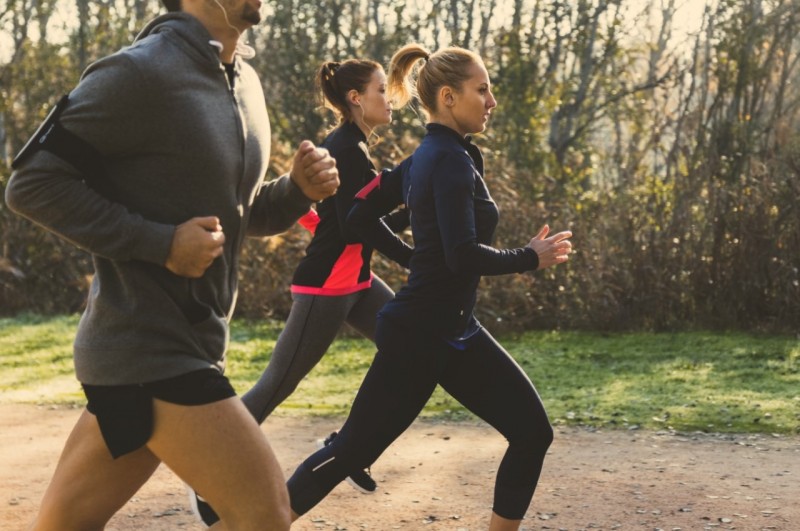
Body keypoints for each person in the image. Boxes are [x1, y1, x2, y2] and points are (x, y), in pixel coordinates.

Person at [4, 0, 339, 529]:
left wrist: (296, 191)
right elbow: (31, 185)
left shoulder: (243, 80)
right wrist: (159, 243)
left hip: (169, 349)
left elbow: (235, 216)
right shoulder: (138, 71)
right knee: (264, 515)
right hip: (151, 347)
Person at [285, 43, 573, 530]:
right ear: (448, 96)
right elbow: (461, 255)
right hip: (419, 336)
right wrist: (530, 257)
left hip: (455, 332)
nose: (491, 101)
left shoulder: (430, 158)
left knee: (531, 432)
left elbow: (360, 213)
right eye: (482, 90)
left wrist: (414, 235)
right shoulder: (447, 160)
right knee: (348, 453)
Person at [188, 56, 414, 526]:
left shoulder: (352, 146)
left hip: (358, 280)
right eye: (379, 90)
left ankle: (349, 446)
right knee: (277, 385)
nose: (388, 98)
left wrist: (409, 207)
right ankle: (205, 476)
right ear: (356, 99)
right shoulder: (344, 149)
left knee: (412, 347)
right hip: (327, 287)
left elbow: (339, 219)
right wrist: (414, 227)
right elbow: (361, 228)